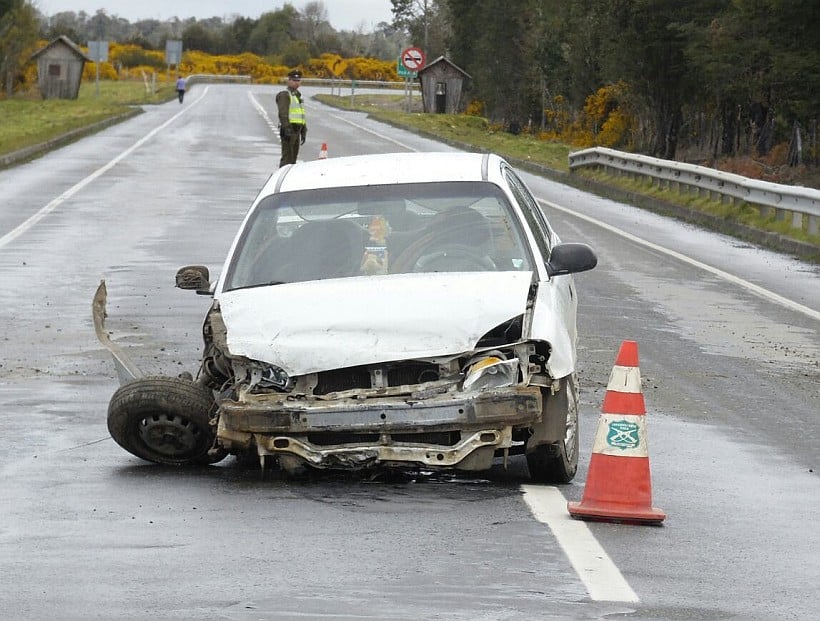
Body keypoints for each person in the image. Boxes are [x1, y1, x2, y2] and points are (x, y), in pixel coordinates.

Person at [276, 69, 307, 167]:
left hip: (297, 130)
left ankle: (290, 179)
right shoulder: (285, 95)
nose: (296, 83)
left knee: (293, 159)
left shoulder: (298, 95)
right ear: (288, 81)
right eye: (294, 80)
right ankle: (282, 179)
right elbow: (283, 113)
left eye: (298, 81)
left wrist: (304, 129)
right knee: (287, 159)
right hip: (289, 130)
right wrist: (286, 128)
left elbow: (301, 113)